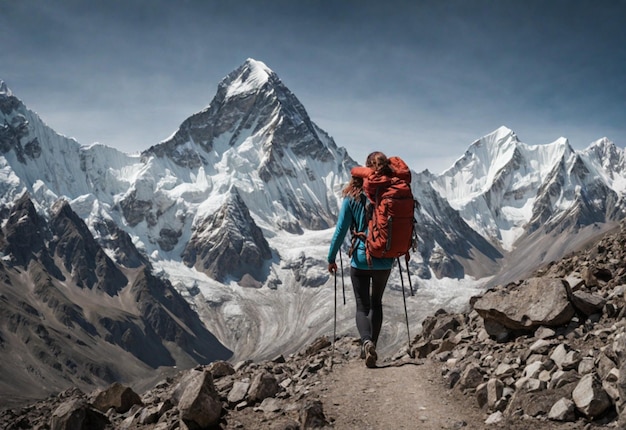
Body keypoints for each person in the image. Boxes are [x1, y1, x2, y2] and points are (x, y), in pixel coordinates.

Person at [327, 154, 395, 368]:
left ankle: (366, 342)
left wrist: (331, 257)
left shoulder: (353, 196)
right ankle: (372, 345)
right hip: (384, 259)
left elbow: (340, 231)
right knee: (376, 303)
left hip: (359, 258)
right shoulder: (391, 193)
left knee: (362, 306)